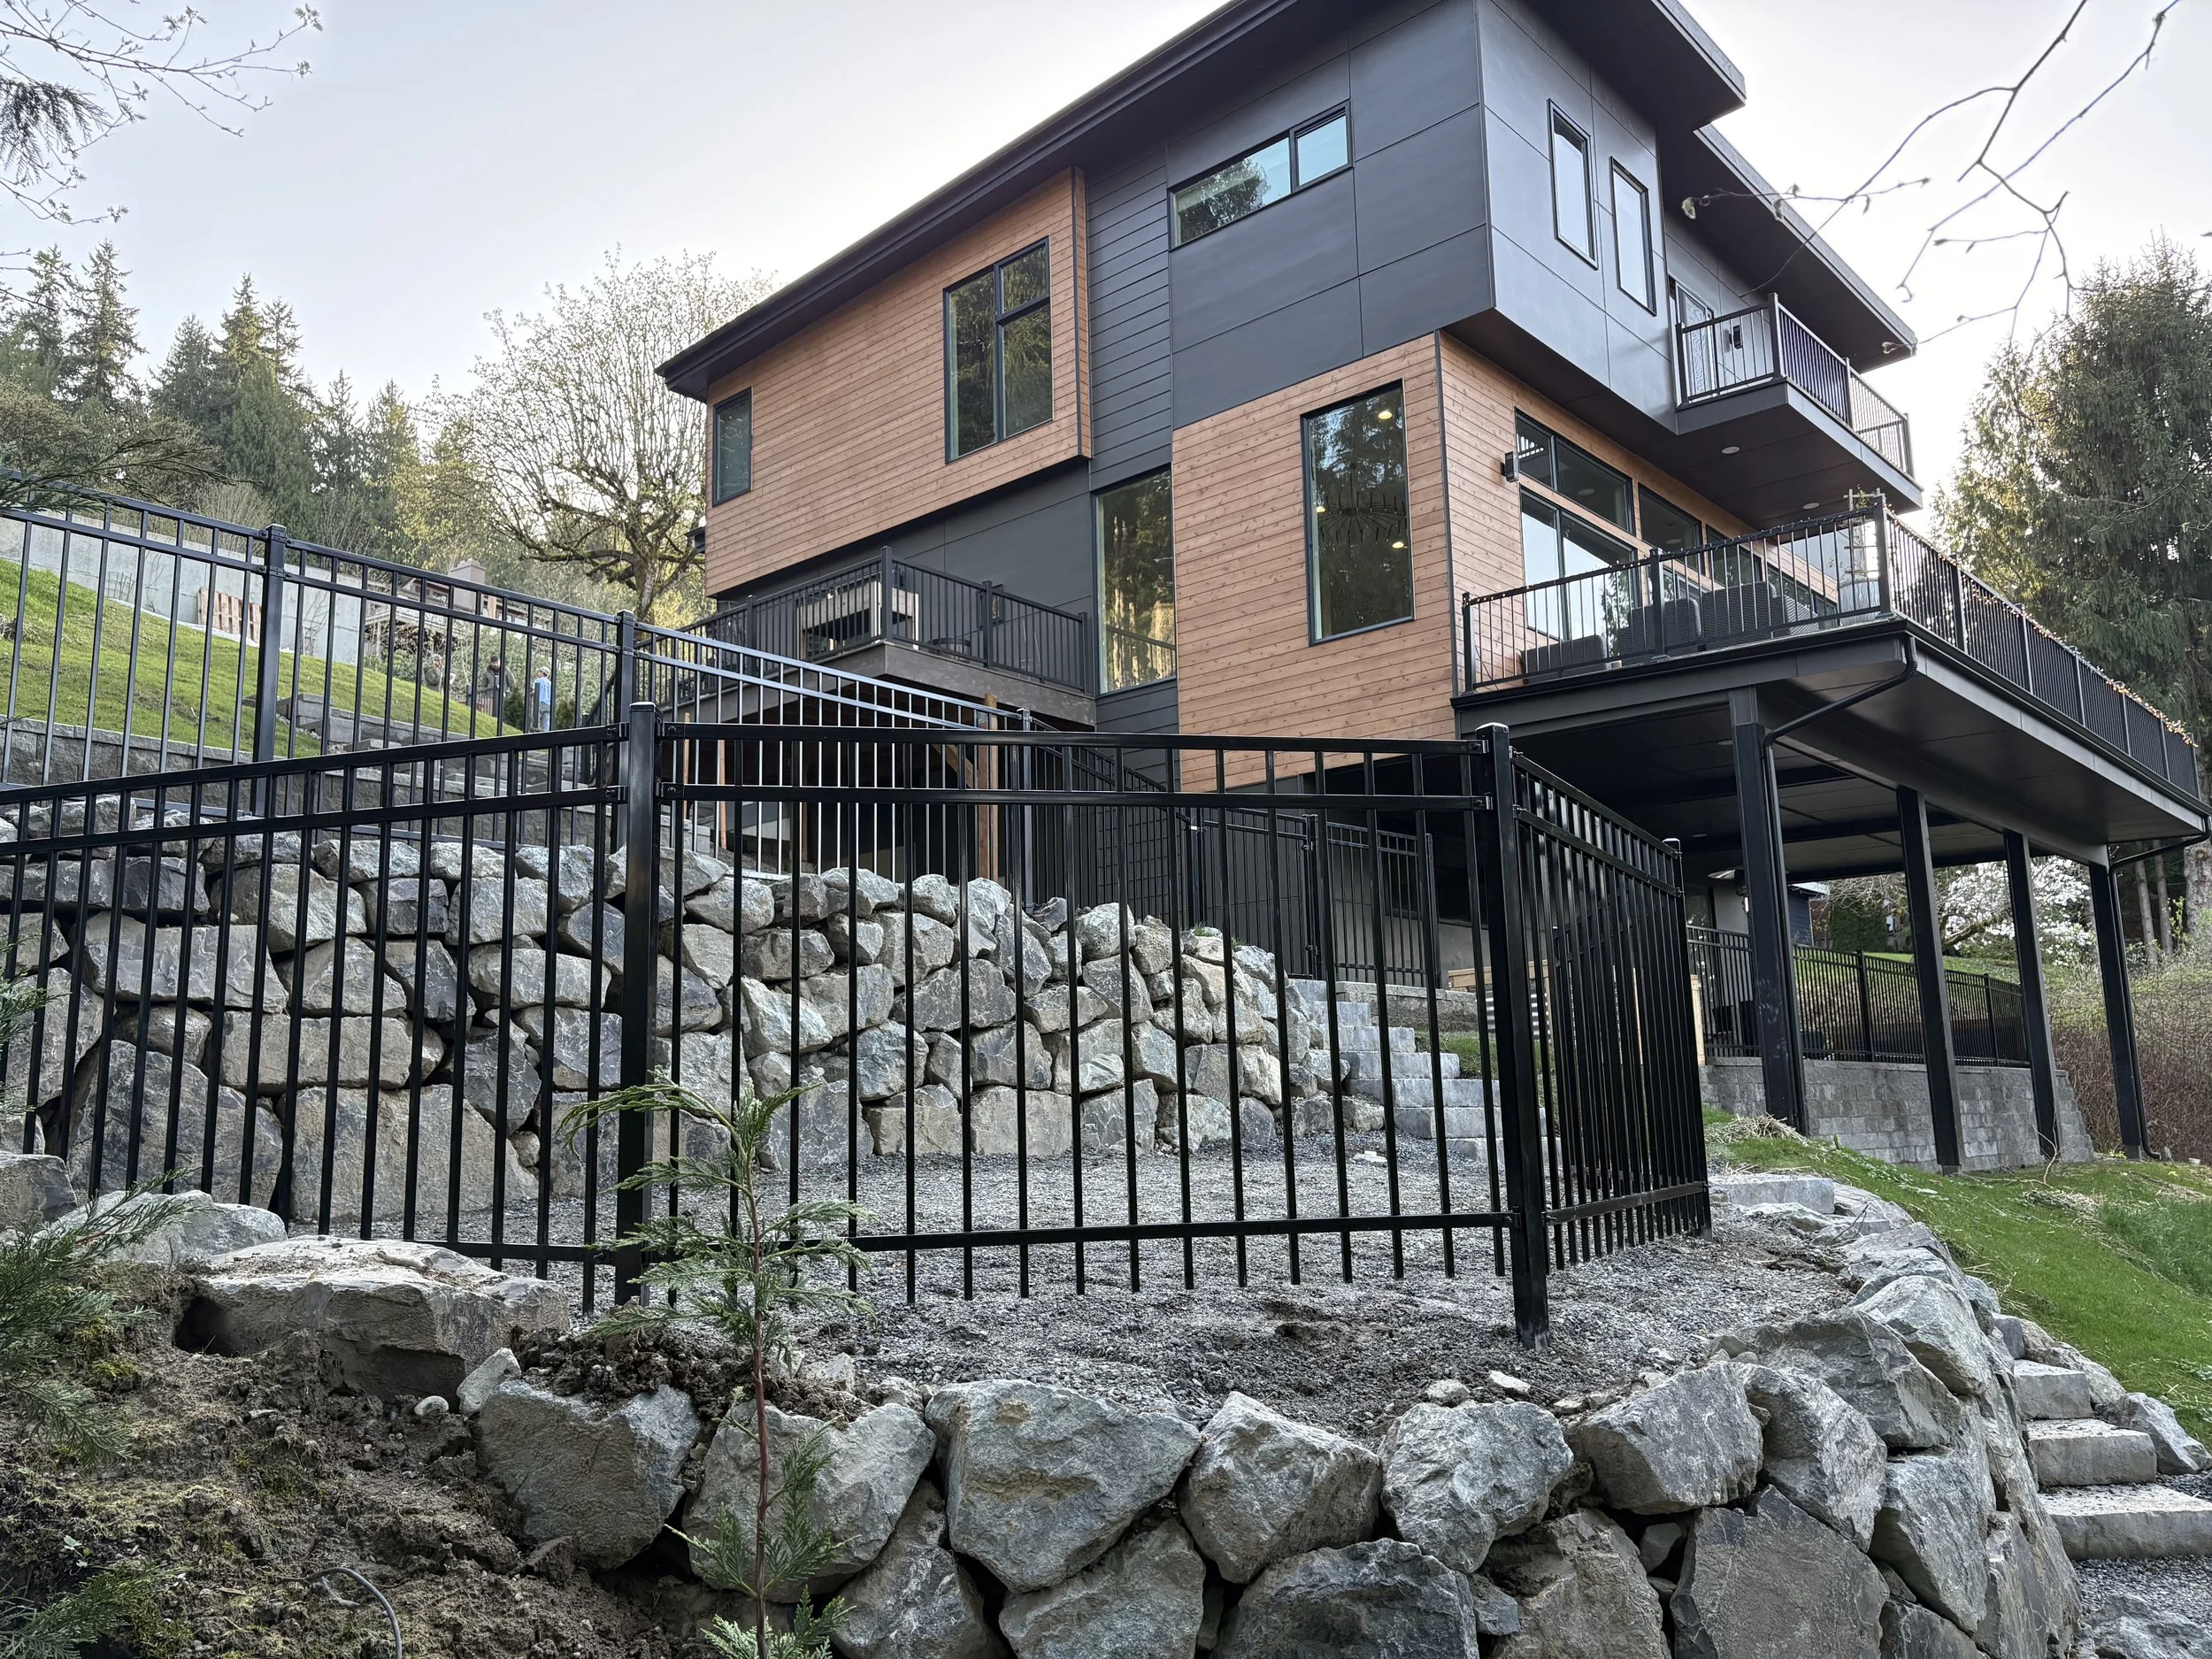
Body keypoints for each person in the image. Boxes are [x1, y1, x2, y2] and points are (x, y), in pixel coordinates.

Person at [532, 666, 554, 732]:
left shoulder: (537, 681)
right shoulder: (550, 683)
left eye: (539, 671)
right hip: (548, 705)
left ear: (542, 673)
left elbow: (534, 691)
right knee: (546, 723)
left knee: (535, 721)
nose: (538, 673)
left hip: (539, 703)